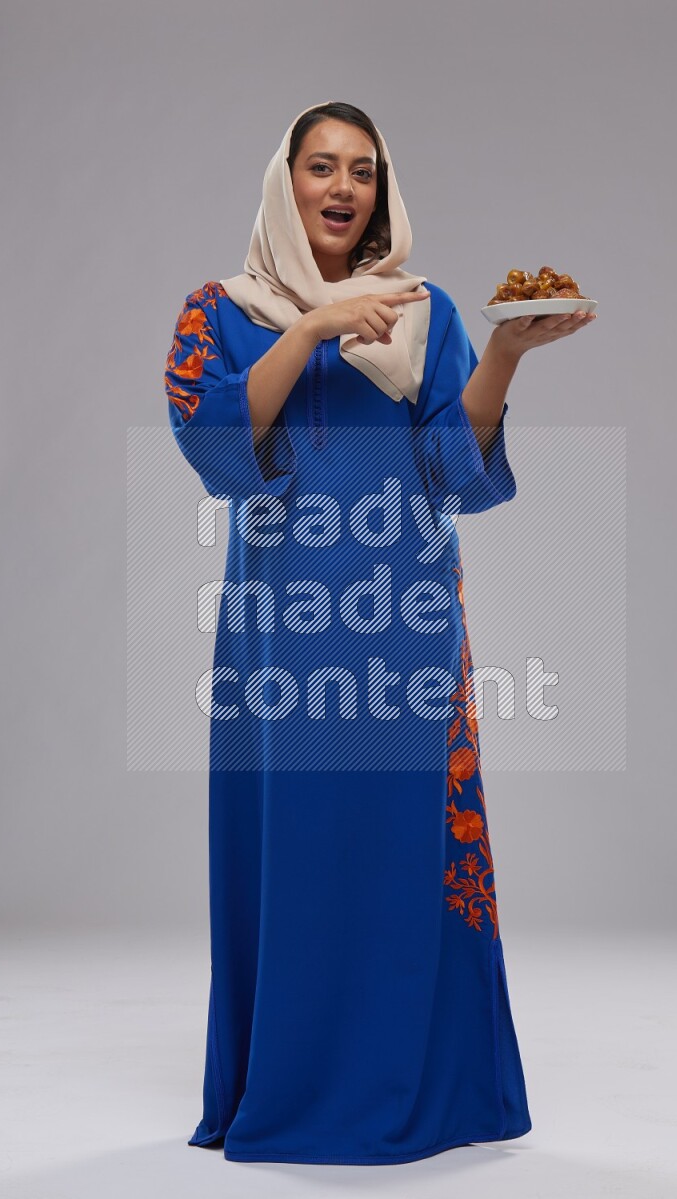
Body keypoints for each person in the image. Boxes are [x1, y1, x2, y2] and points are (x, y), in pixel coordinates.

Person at [164, 99, 595, 1167]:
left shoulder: (420, 309)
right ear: (285, 180)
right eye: (321, 166)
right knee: (298, 847)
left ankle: (433, 1088)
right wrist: (308, 325)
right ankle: (298, 1081)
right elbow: (210, 435)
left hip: (404, 628)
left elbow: (457, 464)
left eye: (363, 169)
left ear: (382, 190)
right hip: (284, 632)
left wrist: (501, 351)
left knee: (404, 847)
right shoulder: (220, 308)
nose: (343, 187)